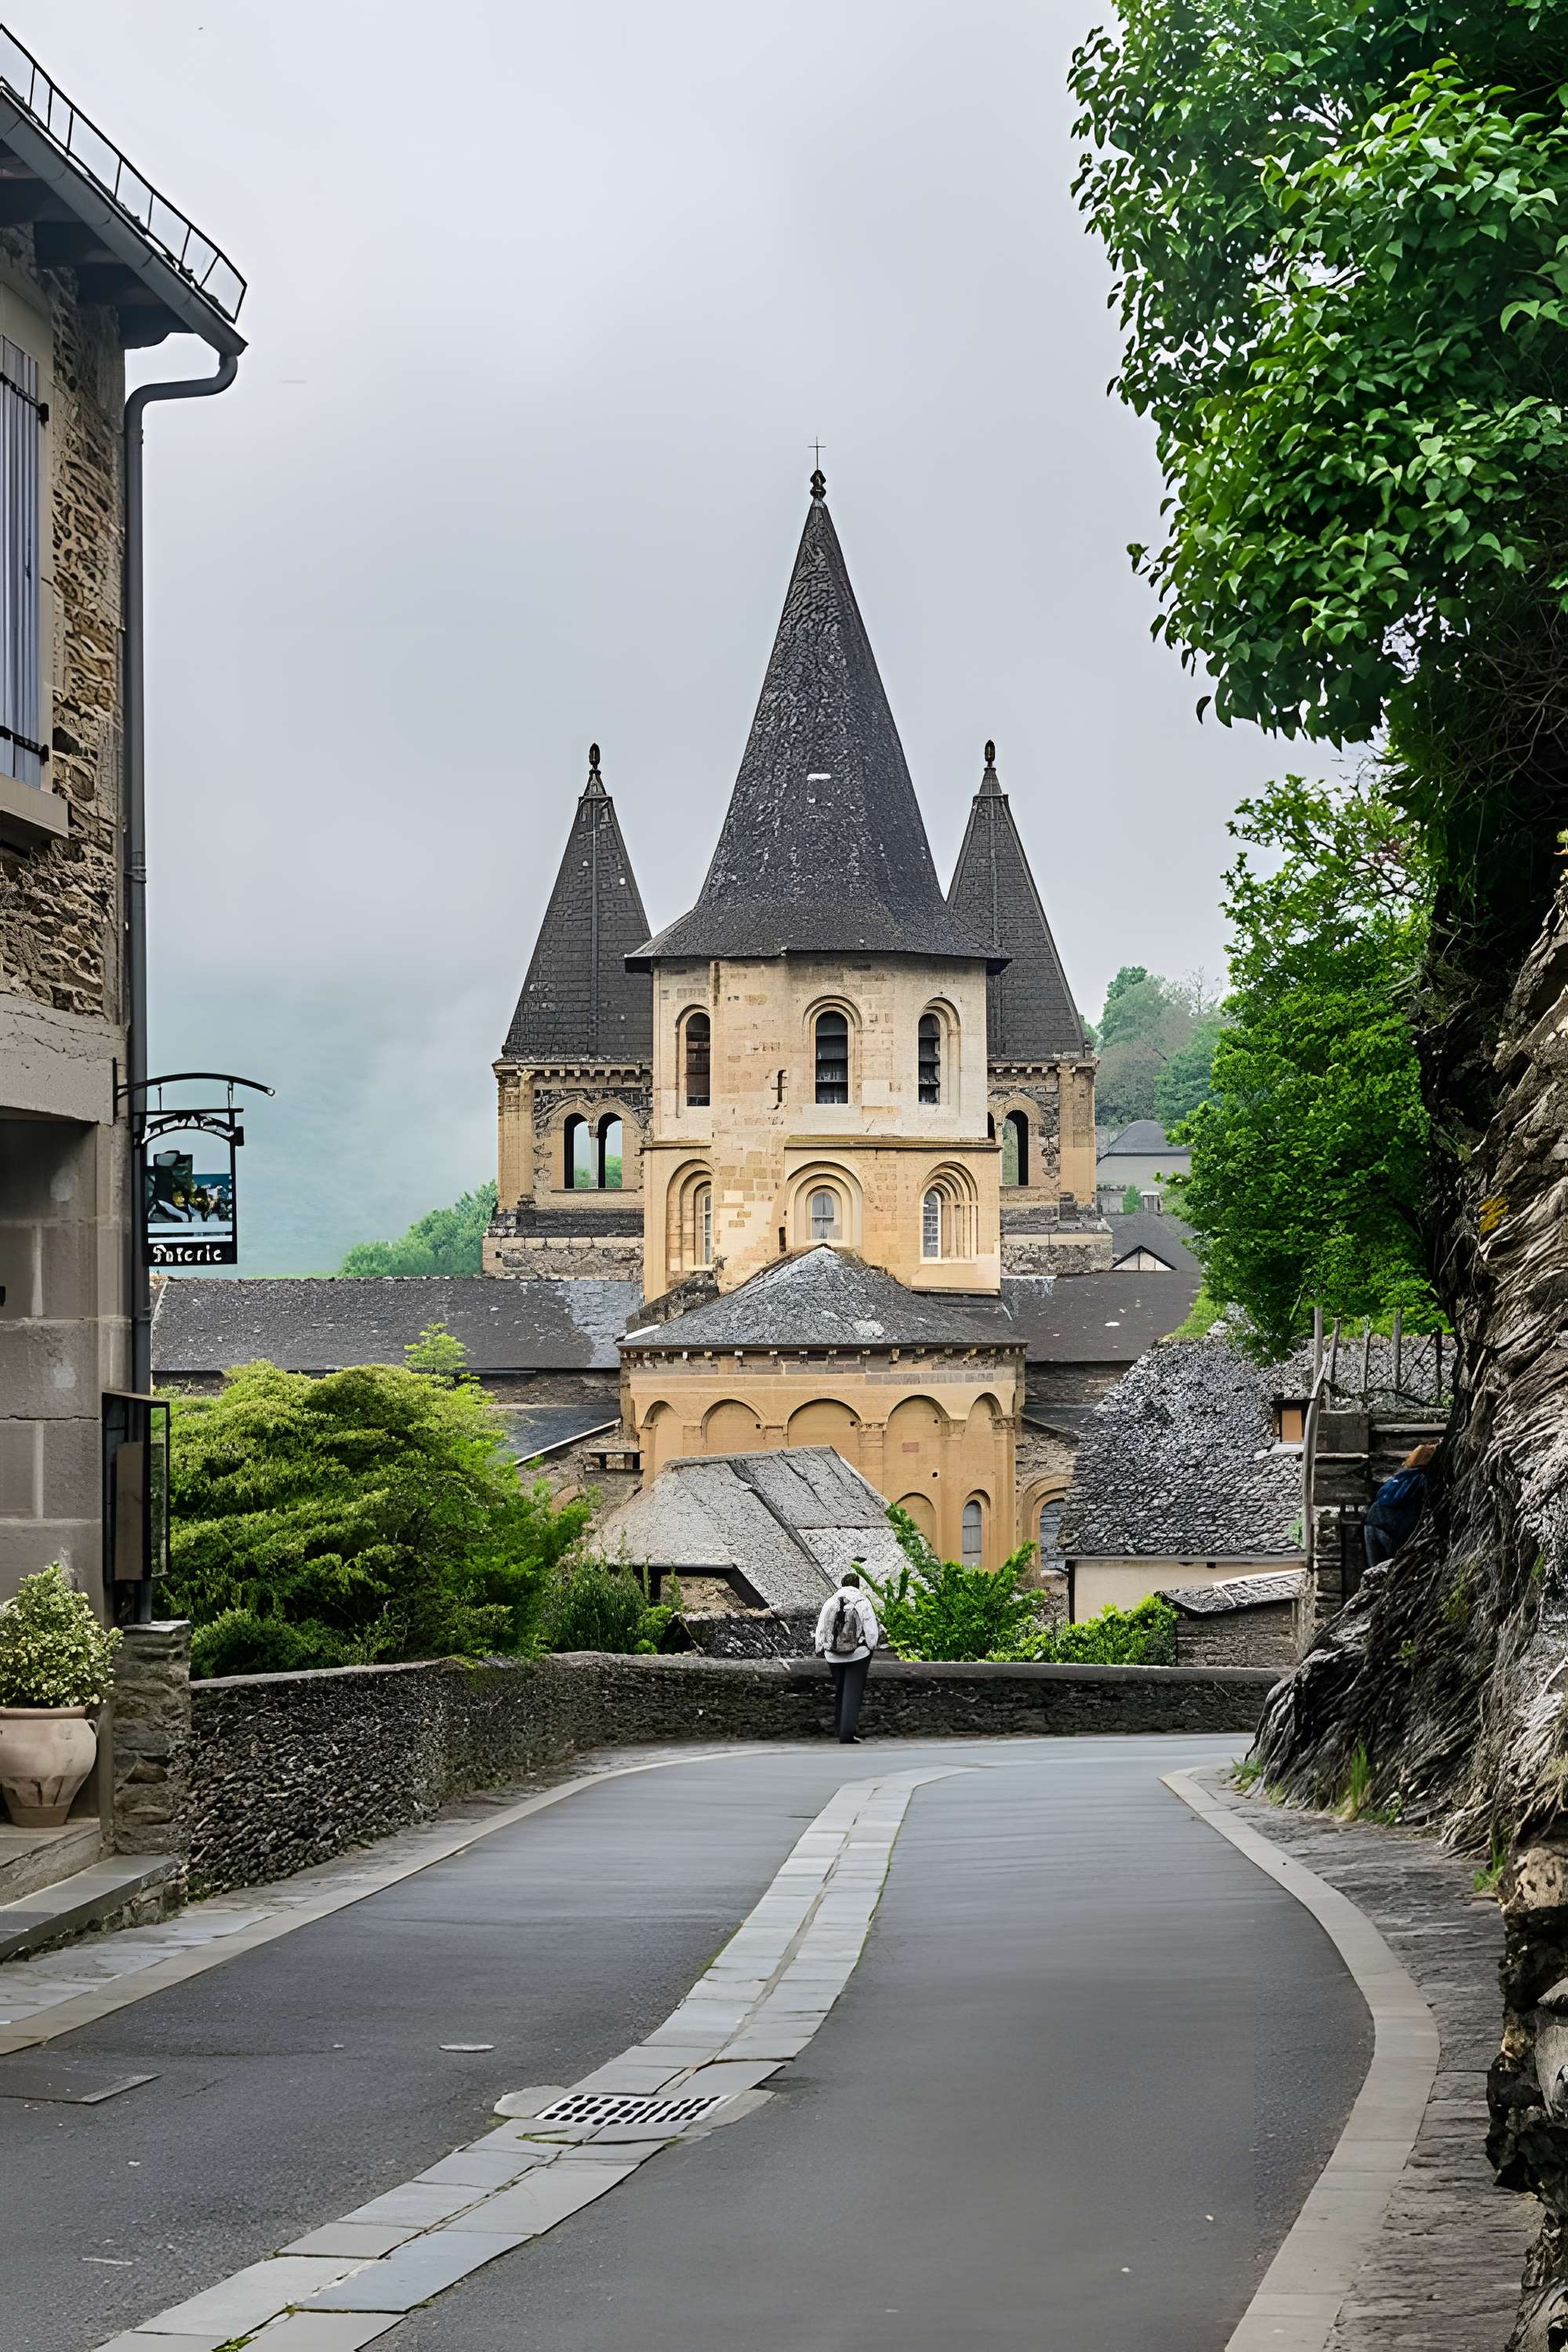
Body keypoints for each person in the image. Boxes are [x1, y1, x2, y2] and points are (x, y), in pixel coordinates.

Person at [814, 1566, 880, 1744]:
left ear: (842, 1584)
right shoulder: (861, 1601)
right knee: (852, 1692)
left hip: (833, 1655)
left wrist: (820, 1649)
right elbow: (870, 1627)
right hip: (858, 1654)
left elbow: (821, 1627)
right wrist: (872, 1646)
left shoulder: (831, 1600)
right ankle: (847, 1734)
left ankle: (839, 1728)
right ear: (858, 1585)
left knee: (841, 1690)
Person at [1363, 1443, 1437, 1570]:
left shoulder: (1400, 1476)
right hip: (1392, 1529)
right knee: (1394, 1571)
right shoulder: (1423, 1479)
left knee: (1375, 1572)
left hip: (1372, 1521)